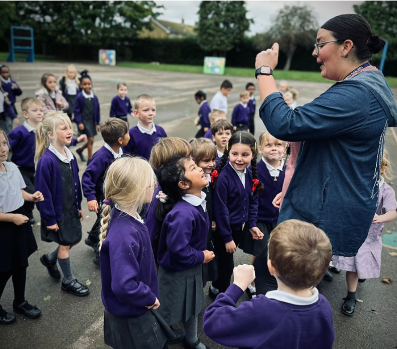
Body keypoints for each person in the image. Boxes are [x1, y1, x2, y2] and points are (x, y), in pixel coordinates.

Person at [256, 14, 397, 258]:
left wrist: (264, 71)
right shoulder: (367, 83)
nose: (314, 52)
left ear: (346, 46)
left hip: (319, 217)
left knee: (287, 283)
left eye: (320, 44)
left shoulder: (358, 94)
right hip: (329, 209)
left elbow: (285, 123)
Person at [203, 220, 335, 349]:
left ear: (271, 267)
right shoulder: (323, 306)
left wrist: (237, 286)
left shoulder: (262, 310)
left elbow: (212, 322)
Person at [99, 157, 171, 349]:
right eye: (150, 184)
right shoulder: (124, 235)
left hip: (133, 305)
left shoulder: (126, 212)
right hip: (132, 311)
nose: (155, 185)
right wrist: (148, 297)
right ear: (136, 191)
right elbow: (124, 285)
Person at [155, 156, 215, 349]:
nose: (200, 169)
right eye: (193, 168)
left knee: (192, 306)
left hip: (191, 267)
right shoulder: (183, 214)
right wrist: (202, 256)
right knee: (168, 309)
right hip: (176, 273)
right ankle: (161, 340)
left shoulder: (197, 202)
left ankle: (191, 339)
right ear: (183, 184)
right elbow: (178, 251)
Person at [333, 151, 397, 316]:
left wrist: (381, 217)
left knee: (362, 264)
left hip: (370, 237)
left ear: (382, 169)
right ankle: (351, 296)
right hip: (352, 233)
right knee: (353, 267)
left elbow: (393, 211)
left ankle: (362, 274)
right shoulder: (355, 185)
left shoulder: (386, 190)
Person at [35, 112, 89, 297]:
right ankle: (68, 281)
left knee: (73, 239)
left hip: (70, 210)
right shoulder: (46, 161)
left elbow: (75, 183)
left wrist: (78, 206)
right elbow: (43, 194)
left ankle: (50, 258)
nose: (70, 131)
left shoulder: (70, 155)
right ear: (50, 134)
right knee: (65, 245)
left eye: (70, 127)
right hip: (56, 214)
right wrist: (49, 218)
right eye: (64, 128)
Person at [210, 132, 263, 299]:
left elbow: (254, 200)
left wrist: (252, 223)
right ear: (228, 152)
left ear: (253, 155)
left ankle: (217, 285)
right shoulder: (223, 177)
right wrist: (227, 238)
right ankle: (223, 296)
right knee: (226, 264)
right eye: (235, 154)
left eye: (245, 155)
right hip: (223, 229)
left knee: (225, 260)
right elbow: (221, 209)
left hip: (236, 227)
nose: (239, 159)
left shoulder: (250, 174)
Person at [0, 129, 43, 325]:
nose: (2, 149)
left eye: (4, 143)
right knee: (4, 268)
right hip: (5, 225)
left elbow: (20, 191)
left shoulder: (12, 167)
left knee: (21, 263)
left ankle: (20, 301)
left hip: (19, 218)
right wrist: (12, 218)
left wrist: (31, 196)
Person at [240, 131, 286, 298]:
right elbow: (251, 199)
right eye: (268, 145)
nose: (273, 148)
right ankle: (253, 283)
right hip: (259, 219)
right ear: (260, 149)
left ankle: (271, 280)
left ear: (285, 147)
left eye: (278, 144)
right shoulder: (255, 171)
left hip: (280, 220)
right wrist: (251, 223)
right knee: (261, 251)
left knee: (275, 251)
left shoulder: (289, 171)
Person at [82, 118, 129, 266]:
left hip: (113, 194)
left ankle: (92, 239)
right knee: (106, 222)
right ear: (120, 140)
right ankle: (99, 252)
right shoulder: (102, 156)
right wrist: (90, 197)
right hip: (101, 196)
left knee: (104, 219)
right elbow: (87, 177)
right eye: (127, 133)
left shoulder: (120, 151)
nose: (130, 135)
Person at [146, 137, 192, 244]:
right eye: (188, 158)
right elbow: (151, 235)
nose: (192, 161)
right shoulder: (161, 197)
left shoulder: (179, 188)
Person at [7, 98, 44, 225]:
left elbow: (55, 141)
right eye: (35, 110)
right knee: (30, 192)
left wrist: (75, 141)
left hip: (37, 168)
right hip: (21, 169)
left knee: (36, 192)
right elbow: (7, 147)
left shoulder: (42, 130)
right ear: (25, 114)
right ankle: (25, 213)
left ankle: (29, 211)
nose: (39, 113)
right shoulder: (18, 132)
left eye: (41, 110)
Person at [190, 138, 218, 284]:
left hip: (207, 223)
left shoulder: (210, 177)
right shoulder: (194, 182)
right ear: (194, 160)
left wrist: (211, 219)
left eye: (213, 159)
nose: (212, 164)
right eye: (206, 161)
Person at [122, 94, 167, 161]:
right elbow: (126, 158)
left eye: (153, 110)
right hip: (140, 170)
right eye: (146, 110)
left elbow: (167, 151)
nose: (151, 113)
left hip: (159, 170)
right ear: (136, 113)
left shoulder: (161, 131)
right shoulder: (131, 134)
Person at [74, 71, 101, 165]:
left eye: (89, 84)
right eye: (84, 84)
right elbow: (76, 111)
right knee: (91, 140)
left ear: (91, 85)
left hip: (92, 121)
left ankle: (80, 150)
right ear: (81, 86)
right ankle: (90, 160)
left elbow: (97, 111)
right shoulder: (80, 97)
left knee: (90, 140)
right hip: (84, 121)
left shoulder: (95, 97)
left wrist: (97, 123)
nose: (87, 86)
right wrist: (79, 122)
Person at [0, 65, 22, 134]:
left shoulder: (12, 82)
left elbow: (19, 93)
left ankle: (9, 137)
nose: (6, 74)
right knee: (7, 124)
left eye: (7, 72)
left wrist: (16, 88)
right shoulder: (2, 85)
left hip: (10, 105)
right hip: (4, 108)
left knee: (9, 123)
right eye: (3, 72)